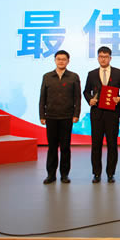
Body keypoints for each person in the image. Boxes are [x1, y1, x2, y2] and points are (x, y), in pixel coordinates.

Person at [83, 46, 120, 183]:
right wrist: (89, 99)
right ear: (98, 58)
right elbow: (86, 91)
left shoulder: (118, 73)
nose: (103, 59)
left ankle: (110, 173)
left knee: (112, 144)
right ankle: (96, 173)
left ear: (110, 58)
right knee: (96, 145)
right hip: (97, 114)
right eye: (101, 57)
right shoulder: (92, 74)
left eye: (106, 57)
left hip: (112, 114)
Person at [39, 50, 81, 184]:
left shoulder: (73, 77)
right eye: (59, 59)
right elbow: (42, 97)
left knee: (65, 147)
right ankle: (51, 175)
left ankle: (64, 174)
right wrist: (42, 115)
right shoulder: (47, 76)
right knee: (52, 147)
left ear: (68, 61)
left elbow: (77, 98)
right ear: (55, 60)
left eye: (64, 59)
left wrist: (76, 114)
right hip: (51, 116)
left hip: (67, 116)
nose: (61, 61)